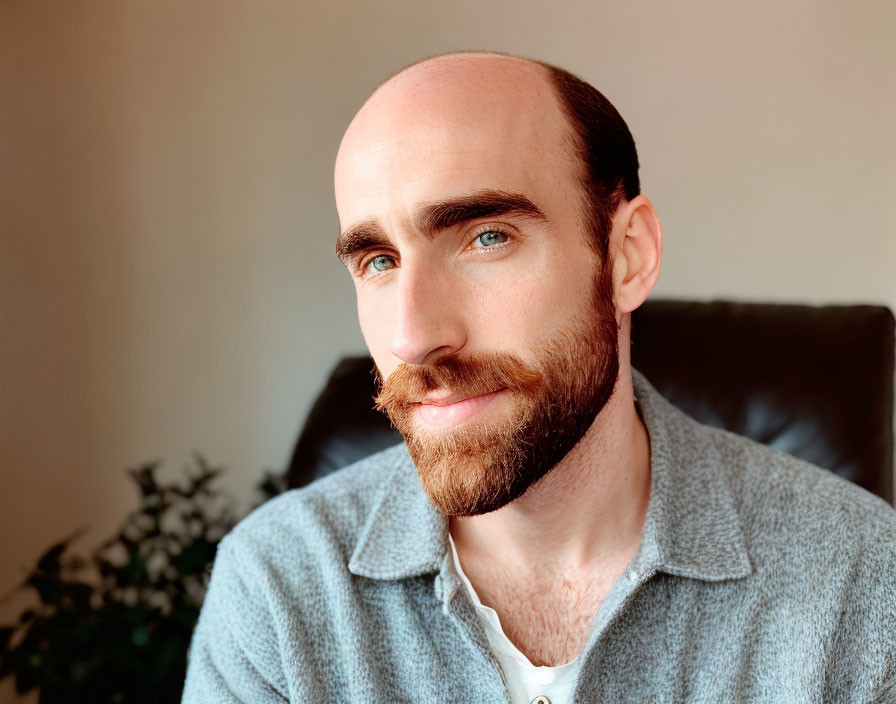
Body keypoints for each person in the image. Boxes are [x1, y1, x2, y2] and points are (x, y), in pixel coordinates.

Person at [182, 52, 896, 703]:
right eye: (378, 261)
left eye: (486, 237)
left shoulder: (861, 582)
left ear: (626, 257)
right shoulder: (278, 586)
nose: (414, 337)